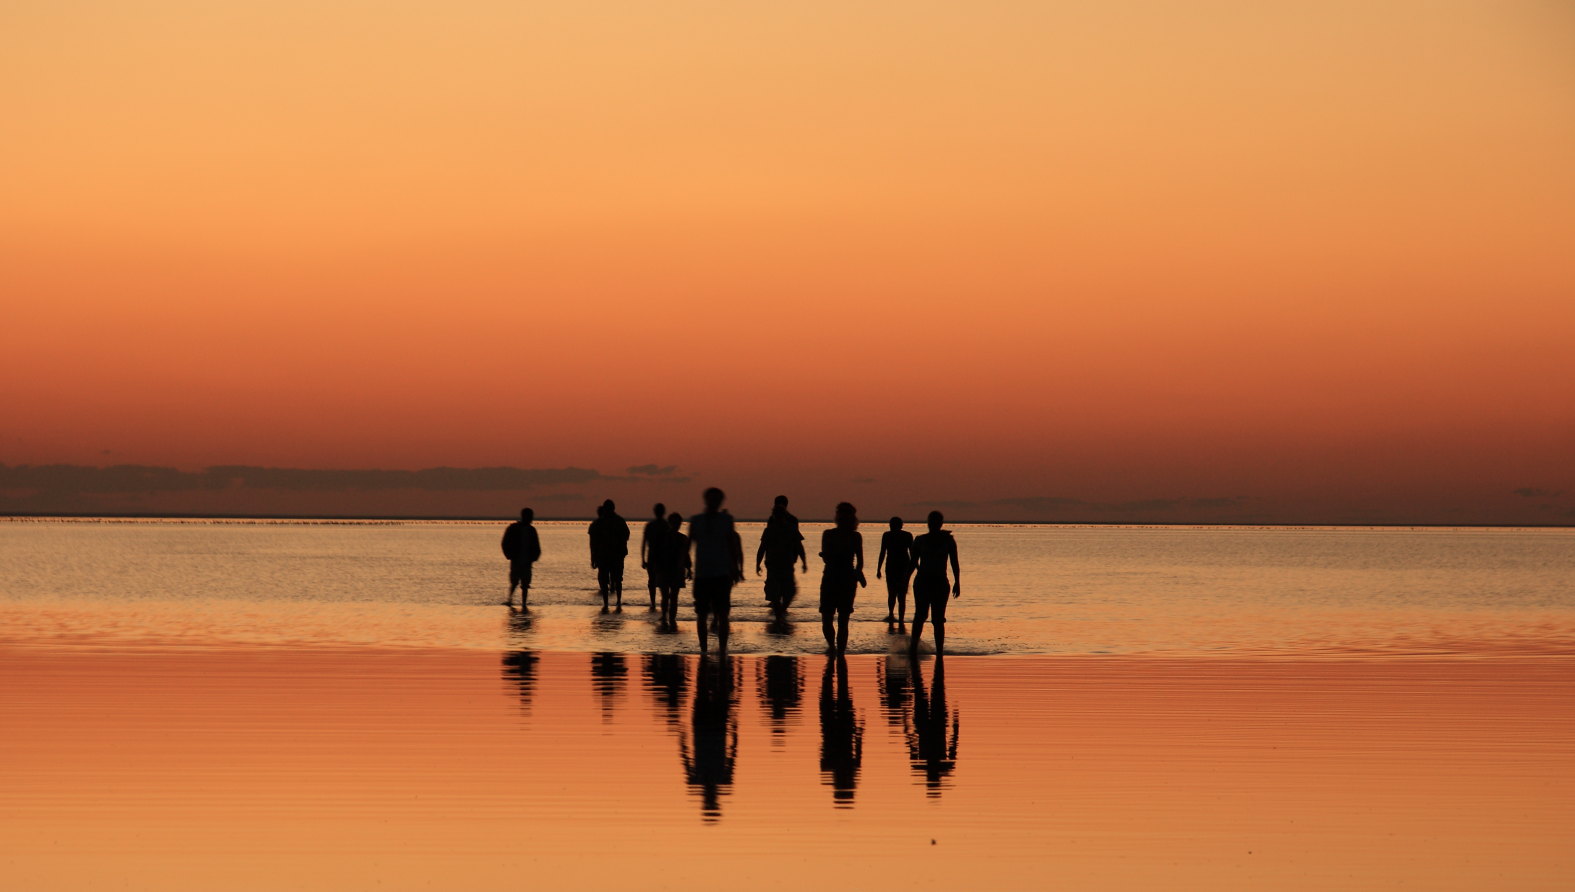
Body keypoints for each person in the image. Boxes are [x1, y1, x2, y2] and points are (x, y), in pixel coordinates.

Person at [688, 487, 744, 654]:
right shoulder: (696, 520)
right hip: (702, 573)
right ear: (706, 500)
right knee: (702, 614)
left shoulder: (726, 520)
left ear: (720, 502)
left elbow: (732, 546)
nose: (714, 503)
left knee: (722, 613)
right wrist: (684, 566)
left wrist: (736, 568)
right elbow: (688, 545)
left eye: (717, 500)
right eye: (711, 499)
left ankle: (722, 649)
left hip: (722, 573)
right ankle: (704, 649)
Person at [909, 510, 960, 654]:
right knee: (920, 615)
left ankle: (939, 652)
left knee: (938, 619)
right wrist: (905, 580)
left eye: (936, 522)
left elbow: (954, 562)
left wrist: (957, 582)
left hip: (940, 583)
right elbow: (913, 563)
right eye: (931, 522)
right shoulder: (920, 540)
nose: (933, 524)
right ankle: (913, 649)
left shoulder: (948, 540)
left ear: (940, 524)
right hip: (922, 582)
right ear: (928, 523)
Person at [818, 502, 865, 655]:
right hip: (836, 577)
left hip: (843, 578)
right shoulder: (829, 534)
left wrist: (858, 572)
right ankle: (834, 648)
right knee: (830, 618)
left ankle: (838, 651)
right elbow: (827, 557)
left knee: (839, 619)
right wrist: (857, 572)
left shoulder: (855, 536)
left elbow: (860, 561)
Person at [755, 494, 807, 619]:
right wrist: (758, 563)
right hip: (775, 562)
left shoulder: (791, 523)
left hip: (785, 561)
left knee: (786, 590)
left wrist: (800, 560)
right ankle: (779, 612)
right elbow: (763, 546)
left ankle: (780, 611)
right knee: (777, 590)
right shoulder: (772, 525)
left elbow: (797, 545)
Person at [587, 499, 630, 611]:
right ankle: (615, 602)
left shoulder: (599, 523)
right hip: (608, 556)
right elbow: (626, 536)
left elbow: (593, 543)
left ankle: (611, 603)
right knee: (612, 580)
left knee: (612, 580)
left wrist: (593, 558)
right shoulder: (616, 521)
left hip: (610, 556)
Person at [500, 507, 541, 609]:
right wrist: (508, 554)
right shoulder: (513, 528)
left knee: (525, 584)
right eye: (530, 516)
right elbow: (505, 542)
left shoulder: (531, 530)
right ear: (525, 516)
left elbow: (536, 545)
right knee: (514, 582)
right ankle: (510, 600)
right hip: (516, 559)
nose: (531, 518)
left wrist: (535, 556)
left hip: (527, 561)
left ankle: (524, 603)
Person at [876, 516, 915, 624]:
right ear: (901, 525)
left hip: (896, 566)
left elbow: (882, 552)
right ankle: (898, 618)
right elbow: (913, 554)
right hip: (900, 567)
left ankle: (892, 615)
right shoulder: (906, 535)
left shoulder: (888, 535)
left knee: (893, 593)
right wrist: (916, 566)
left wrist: (878, 569)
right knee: (900, 594)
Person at [657, 511, 690, 629]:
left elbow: (686, 555)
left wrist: (689, 568)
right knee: (665, 596)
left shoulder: (683, 538)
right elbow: (657, 554)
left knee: (674, 596)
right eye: (675, 523)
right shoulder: (662, 537)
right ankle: (666, 617)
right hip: (664, 570)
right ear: (670, 523)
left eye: (678, 523)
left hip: (677, 570)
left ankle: (671, 618)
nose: (677, 525)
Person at [640, 502, 668, 611]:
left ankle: (657, 603)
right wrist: (643, 559)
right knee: (653, 581)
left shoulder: (665, 525)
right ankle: (654, 603)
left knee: (658, 581)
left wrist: (643, 559)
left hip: (661, 557)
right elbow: (644, 543)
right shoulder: (652, 525)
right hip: (654, 556)